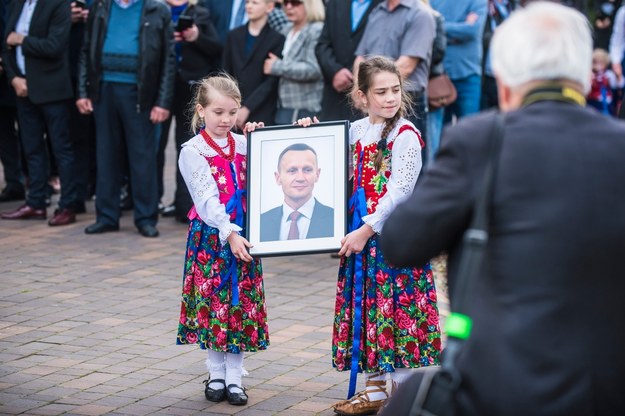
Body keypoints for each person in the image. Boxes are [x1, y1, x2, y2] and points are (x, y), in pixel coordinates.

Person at [380, 3, 625, 415]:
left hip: (493, 390)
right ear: (584, 78)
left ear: (506, 82)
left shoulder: (482, 140)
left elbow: (401, 242)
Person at [298, 56, 441, 415]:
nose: (390, 98)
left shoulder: (405, 135)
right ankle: (376, 390)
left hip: (393, 238)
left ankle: (409, 395)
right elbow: (330, 170)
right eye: (381, 92)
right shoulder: (356, 131)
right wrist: (311, 135)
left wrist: (365, 229)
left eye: (395, 90)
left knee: (400, 312)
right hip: (364, 242)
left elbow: (399, 192)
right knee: (371, 311)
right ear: (362, 96)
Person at [176, 74, 268, 407]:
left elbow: (272, 174)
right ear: (201, 112)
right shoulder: (192, 151)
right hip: (212, 237)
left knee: (239, 304)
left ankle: (235, 375)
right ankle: (215, 372)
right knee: (214, 303)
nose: (226, 120)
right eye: (218, 112)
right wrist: (228, 231)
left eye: (232, 112)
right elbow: (205, 199)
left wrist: (263, 141)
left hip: (243, 235)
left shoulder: (245, 144)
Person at [76, 0, 175, 238]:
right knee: (106, 156)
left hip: (140, 93)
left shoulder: (157, 9)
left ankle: (145, 218)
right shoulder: (101, 6)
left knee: (142, 158)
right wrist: (82, 91)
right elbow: (86, 50)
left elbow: (168, 59)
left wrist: (162, 102)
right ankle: (107, 217)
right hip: (104, 90)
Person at [1, 0, 81, 226]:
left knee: (61, 149)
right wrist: (13, 77)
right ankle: (35, 202)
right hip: (22, 89)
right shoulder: (17, 4)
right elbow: (5, 41)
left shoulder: (58, 4)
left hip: (52, 90)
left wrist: (22, 40)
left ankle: (67, 205)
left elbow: (54, 46)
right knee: (32, 148)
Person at [157, 0, 222, 222]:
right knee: (156, 145)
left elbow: (216, 47)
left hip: (191, 87)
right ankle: (153, 199)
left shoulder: (200, 13)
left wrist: (196, 37)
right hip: (162, 85)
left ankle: (184, 204)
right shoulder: (156, 9)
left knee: (187, 144)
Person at [353, 0, 435, 143]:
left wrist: (372, 92)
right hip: (375, 101)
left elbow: (406, 65)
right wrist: (360, 91)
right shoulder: (377, 12)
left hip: (406, 103)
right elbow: (360, 58)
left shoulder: (420, 14)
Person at [314, 0, 381, 122]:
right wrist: (335, 71)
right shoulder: (336, 3)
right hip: (335, 97)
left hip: (368, 96)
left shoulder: (385, 4)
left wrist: (357, 77)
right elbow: (322, 45)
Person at [223, 0, 285, 130]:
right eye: (247, 2)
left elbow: (271, 81)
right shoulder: (233, 35)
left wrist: (247, 108)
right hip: (233, 108)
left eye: (255, 3)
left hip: (262, 110)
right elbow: (225, 71)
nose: (249, 6)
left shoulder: (277, 39)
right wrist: (234, 105)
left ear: (269, 7)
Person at [263, 0, 325, 125]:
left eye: (295, 3)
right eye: (286, 3)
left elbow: (314, 69)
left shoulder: (316, 29)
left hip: (305, 109)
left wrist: (276, 66)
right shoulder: (285, 29)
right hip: (281, 106)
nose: (289, 7)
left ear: (310, 4)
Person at [259, 143, 333, 241]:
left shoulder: (335, 219)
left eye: (307, 170)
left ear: (317, 175)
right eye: (292, 170)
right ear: (278, 178)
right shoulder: (261, 222)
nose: (300, 178)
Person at [430, 0, 487, 123]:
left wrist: (441, 27)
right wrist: (462, 27)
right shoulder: (433, 2)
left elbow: (472, 30)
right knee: (440, 134)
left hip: (468, 76)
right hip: (440, 76)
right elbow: (429, 26)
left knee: (470, 130)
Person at [587, 48, 623, 115]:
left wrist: (619, 76)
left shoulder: (609, 74)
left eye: (601, 62)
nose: (598, 65)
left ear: (605, 63)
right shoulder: (590, 74)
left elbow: (618, 86)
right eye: (595, 62)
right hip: (593, 103)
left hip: (607, 104)